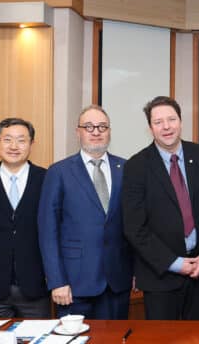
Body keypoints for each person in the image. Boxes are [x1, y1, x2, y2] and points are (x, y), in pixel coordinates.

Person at [123, 96, 199, 320]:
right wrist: (175, 263)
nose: (166, 127)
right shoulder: (136, 166)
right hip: (159, 276)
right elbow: (134, 227)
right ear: (150, 128)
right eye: (158, 122)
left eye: (171, 119)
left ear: (180, 121)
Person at [38, 106, 132, 319]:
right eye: (88, 127)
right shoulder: (58, 172)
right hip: (73, 284)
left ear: (109, 131)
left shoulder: (126, 168)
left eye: (102, 126)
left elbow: (133, 226)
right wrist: (57, 280)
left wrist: (134, 272)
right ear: (77, 131)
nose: (96, 131)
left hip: (117, 282)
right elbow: (47, 231)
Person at [0, 118, 49, 318]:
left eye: (21, 140)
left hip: (36, 288)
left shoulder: (47, 179)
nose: (14, 146)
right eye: (7, 140)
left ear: (32, 144)